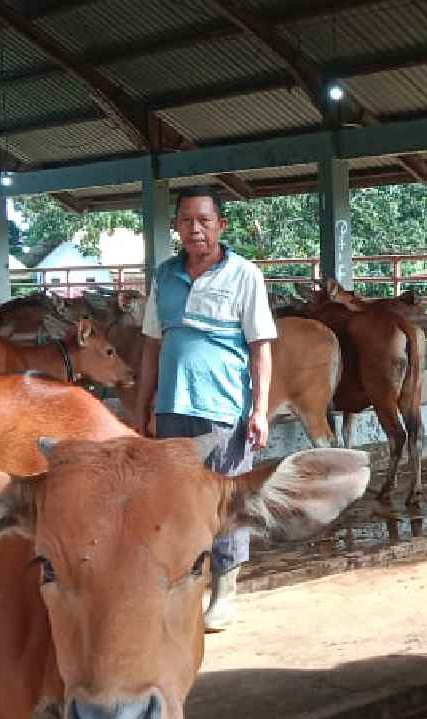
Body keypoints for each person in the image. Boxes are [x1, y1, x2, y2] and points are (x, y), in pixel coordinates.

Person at [136, 186, 277, 632]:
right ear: (175, 226)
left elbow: (260, 348)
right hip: (172, 406)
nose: (195, 228)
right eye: (186, 221)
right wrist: (144, 405)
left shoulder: (244, 275)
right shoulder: (164, 276)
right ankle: (185, 589)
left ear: (221, 224)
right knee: (177, 499)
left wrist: (259, 410)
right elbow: (152, 346)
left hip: (223, 409)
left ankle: (226, 592)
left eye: (204, 220)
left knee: (226, 498)